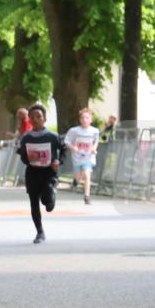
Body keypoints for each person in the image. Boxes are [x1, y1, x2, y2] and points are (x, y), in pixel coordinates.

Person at [17, 104, 65, 244]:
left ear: (44, 119)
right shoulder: (26, 138)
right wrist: (29, 159)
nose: (35, 119)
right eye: (32, 117)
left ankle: (51, 197)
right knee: (34, 202)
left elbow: (63, 150)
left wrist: (58, 161)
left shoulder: (52, 136)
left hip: (49, 172)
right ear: (29, 120)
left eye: (39, 116)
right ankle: (39, 232)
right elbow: (22, 156)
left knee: (46, 200)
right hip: (33, 172)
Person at [65, 108, 100, 204]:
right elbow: (67, 141)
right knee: (79, 177)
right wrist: (72, 147)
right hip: (77, 156)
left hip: (88, 156)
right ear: (80, 120)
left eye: (87, 118)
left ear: (91, 120)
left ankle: (87, 196)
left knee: (87, 174)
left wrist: (94, 148)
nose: (85, 120)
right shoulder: (74, 131)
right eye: (83, 118)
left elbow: (96, 141)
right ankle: (76, 181)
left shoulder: (94, 131)